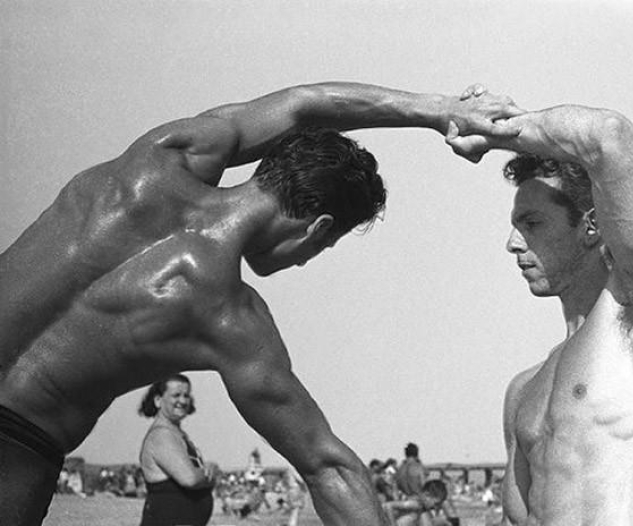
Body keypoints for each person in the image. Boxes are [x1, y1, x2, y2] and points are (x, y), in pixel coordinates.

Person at [0, 81, 522, 526]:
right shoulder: (227, 318)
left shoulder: (161, 157)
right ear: (317, 227)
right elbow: (327, 466)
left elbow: (301, 104)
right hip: (16, 454)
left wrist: (442, 111)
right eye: (324, 246)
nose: (305, 261)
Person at [445, 89, 633, 525]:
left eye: (532, 224)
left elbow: (610, 136)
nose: (513, 244)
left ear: (590, 226)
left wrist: (497, 133)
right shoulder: (523, 393)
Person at [138, 374, 214, 526]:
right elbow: (190, 478)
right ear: (158, 400)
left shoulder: (176, 433)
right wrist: (211, 474)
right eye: (176, 395)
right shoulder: (161, 435)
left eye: (186, 395)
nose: (183, 401)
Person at [383, 479, 451, 526]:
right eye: (436, 504)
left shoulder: (421, 506)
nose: (435, 507)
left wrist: (444, 522)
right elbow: (388, 505)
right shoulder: (416, 504)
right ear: (427, 495)